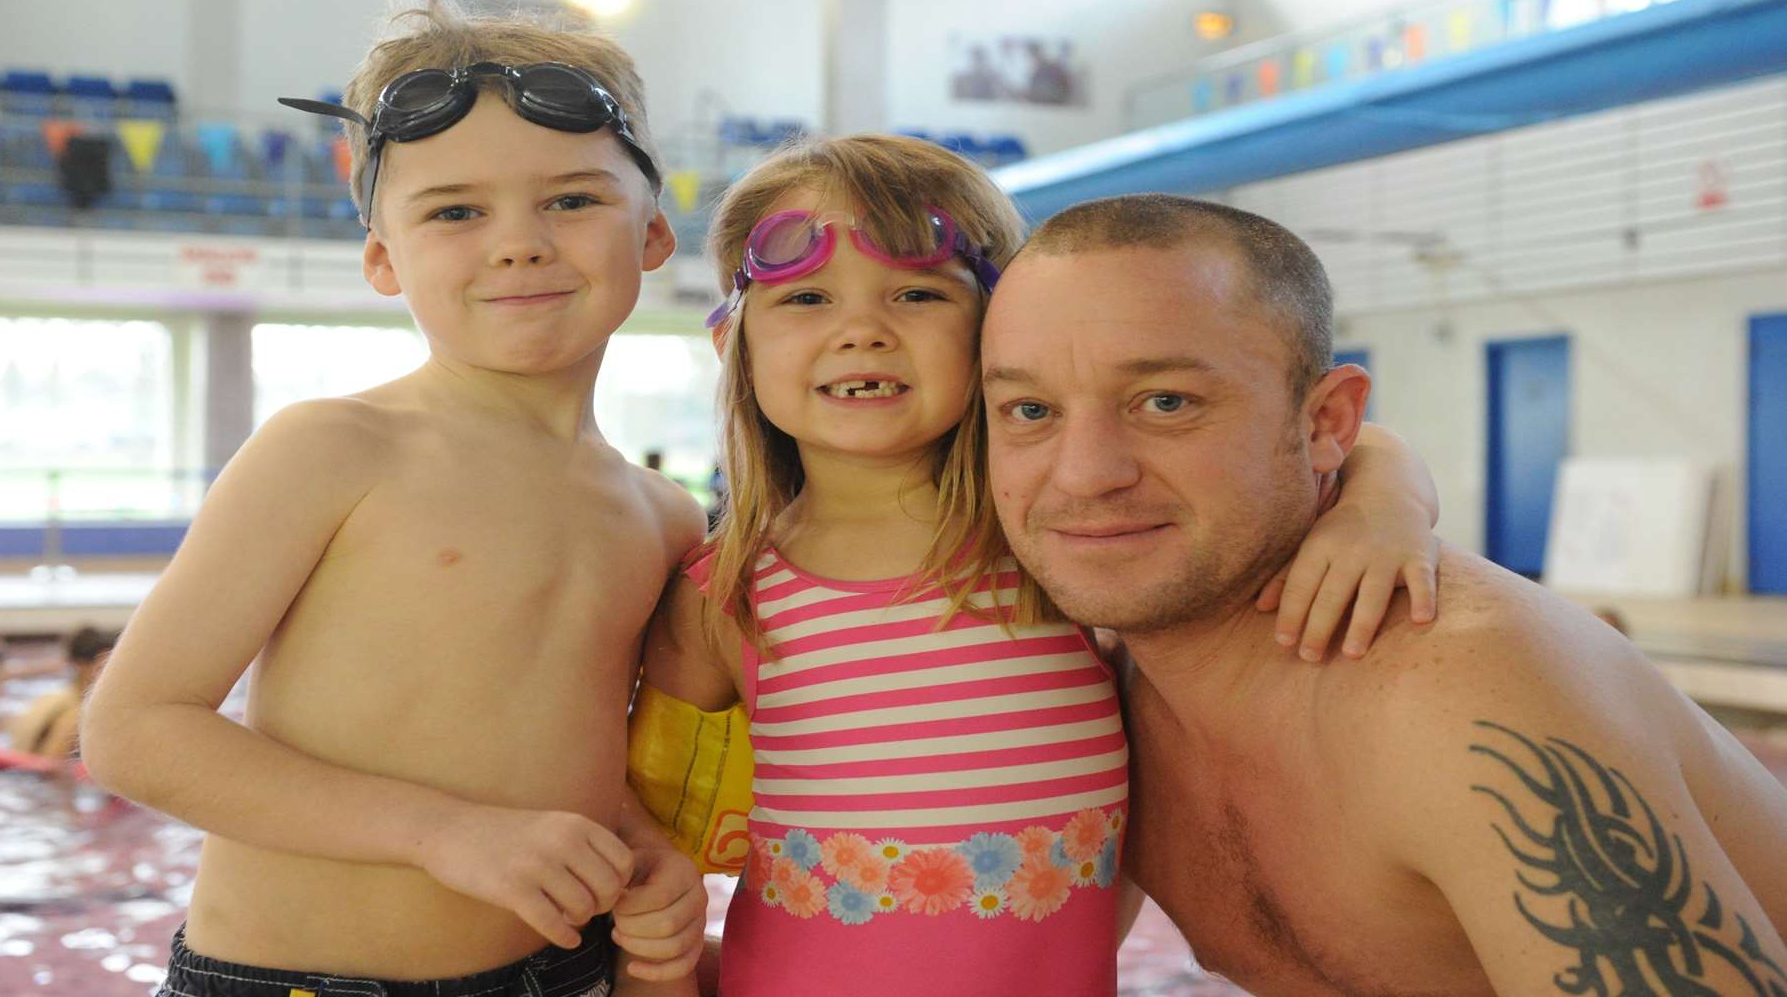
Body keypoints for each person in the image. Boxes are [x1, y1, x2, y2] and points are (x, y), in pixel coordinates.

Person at [629, 137, 1444, 997]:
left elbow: (1355, 440)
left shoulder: (1054, 544)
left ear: (995, 338)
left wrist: (1380, 505)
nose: (861, 329)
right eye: (806, 298)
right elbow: (652, 848)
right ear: (734, 346)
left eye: (915, 293)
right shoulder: (727, 592)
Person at [981, 193, 1787, 994]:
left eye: (1166, 403)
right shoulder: (1090, 701)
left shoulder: (1457, 702)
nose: (1085, 473)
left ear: (1327, 422)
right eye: (1029, 410)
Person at [81, 0, 707, 997]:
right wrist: (438, 835)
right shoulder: (334, 450)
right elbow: (134, 730)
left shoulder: (664, 515)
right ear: (383, 257)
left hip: (564, 971)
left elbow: (577, 764)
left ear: (655, 235)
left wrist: (641, 857)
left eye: (573, 200)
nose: (519, 242)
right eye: (456, 211)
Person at [10, 626, 116, 759]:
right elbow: (52, 765)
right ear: (80, 664)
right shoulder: (74, 712)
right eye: (105, 665)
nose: (115, 672)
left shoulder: (49, 697)